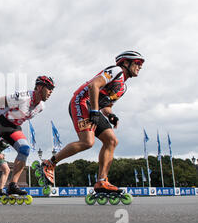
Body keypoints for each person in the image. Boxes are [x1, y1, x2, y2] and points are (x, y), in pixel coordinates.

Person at [43, 51, 144, 193]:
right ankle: (49, 163)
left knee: (112, 141)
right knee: (87, 142)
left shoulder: (123, 87)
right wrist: (95, 111)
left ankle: (102, 181)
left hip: (93, 106)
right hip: (81, 101)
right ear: (126, 63)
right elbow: (93, 86)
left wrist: (111, 115)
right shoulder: (116, 71)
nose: (140, 67)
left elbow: (106, 106)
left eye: (142, 64)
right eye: (138, 63)